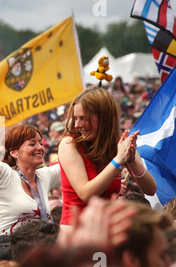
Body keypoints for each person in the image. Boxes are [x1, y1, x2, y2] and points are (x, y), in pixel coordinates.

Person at [57, 87, 157, 227]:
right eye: (75, 118)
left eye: (83, 119)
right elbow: (85, 194)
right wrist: (118, 161)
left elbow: (151, 189)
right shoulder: (69, 144)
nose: (77, 125)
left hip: (107, 231)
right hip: (76, 235)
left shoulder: (119, 143)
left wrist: (131, 158)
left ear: (103, 118)